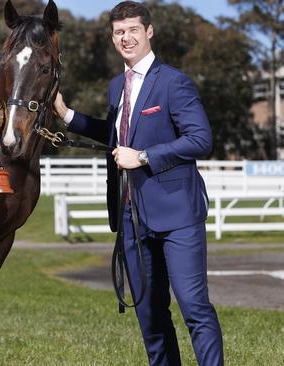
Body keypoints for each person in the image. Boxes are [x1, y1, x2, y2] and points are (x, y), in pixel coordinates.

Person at [53, 2, 223, 365]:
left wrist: (144, 156)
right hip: (132, 218)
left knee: (194, 308)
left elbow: (200, 139)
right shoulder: (117, 87)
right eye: (118, 32)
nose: (125, 37)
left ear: (149, 31)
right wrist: (66, 115)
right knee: (150, 315)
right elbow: (117, 134)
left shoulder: (175, 82)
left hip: (178, 215)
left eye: (132, 29)